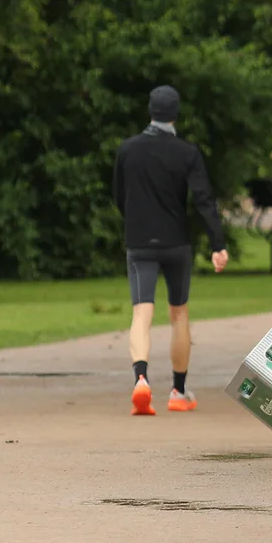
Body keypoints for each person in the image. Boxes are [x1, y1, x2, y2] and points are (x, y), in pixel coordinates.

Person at [112, 85, 229, 415]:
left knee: (141, 312)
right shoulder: (187, 152)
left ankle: (141, 380)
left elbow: (119, 196)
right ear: (176, 114)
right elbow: (204, 200)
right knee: (179, 313)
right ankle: (178, 390)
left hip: (139, 242)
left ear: (149, 111)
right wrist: (217, 245)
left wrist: (136, 221)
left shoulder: (127, 150)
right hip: (176, 242)